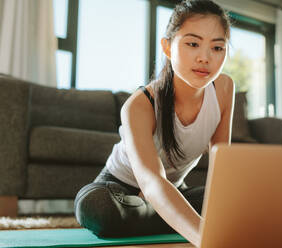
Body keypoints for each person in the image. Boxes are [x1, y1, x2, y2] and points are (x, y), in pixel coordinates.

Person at [74, 0, 234, 246]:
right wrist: (206, 237)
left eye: (217, 48)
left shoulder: (224, 88)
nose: (205, 58)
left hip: (175, 191)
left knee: (238, 202)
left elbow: (223, 169)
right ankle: (171, 216)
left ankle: (166, 214)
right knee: (97, 207)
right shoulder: (140, 104)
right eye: (193, 44)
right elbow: (151, 181)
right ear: (168, 47)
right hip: (120, 190)